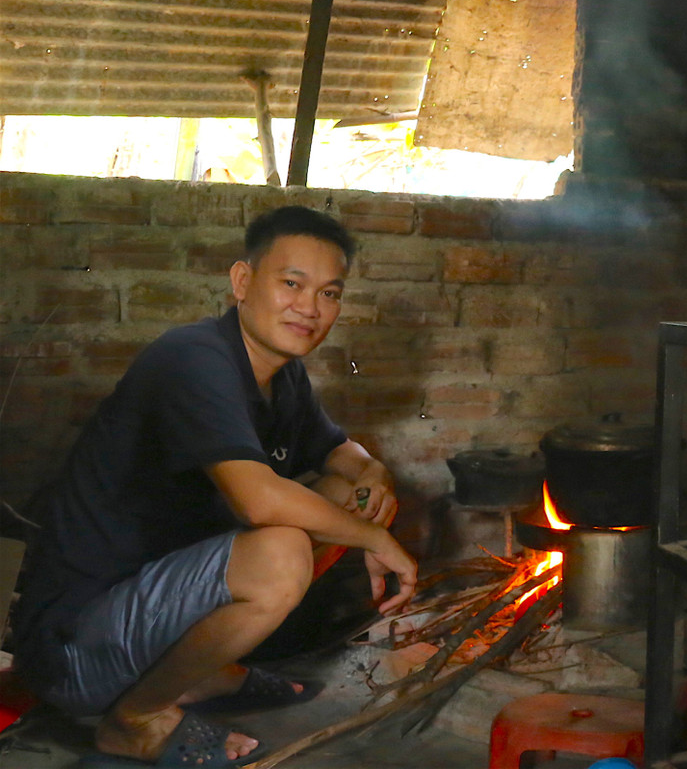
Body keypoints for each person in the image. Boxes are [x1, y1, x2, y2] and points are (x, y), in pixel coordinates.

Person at [12, 205, 417, 768]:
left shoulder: (282, 374)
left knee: (344, 498)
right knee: (280, 550)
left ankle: (195, 675)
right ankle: (135, 721)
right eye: (292, 283)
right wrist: (373, 537)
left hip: (145, 622)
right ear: (243, 281)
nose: (309, 307)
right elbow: (257, 499)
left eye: (329, 292)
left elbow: (340, 453)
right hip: (74, 652)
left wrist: (373, 474)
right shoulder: (192, 358)